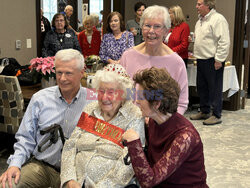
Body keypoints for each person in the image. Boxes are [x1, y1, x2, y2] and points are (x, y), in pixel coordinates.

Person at [0, 49, 89, 188]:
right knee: (8, 184)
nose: (62, 78)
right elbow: (25, 137)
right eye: (59, 72)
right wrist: (15, 164)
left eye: (68, 73)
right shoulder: (40, 99)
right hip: (43, 167)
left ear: (81, 73)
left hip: (77, 172)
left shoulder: (94, 101)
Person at [60, 64, 145, 187]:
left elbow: (130, 162)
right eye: (101, 91)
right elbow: (70, 145)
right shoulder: (90, 109)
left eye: (111, 92)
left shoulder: (134, 116)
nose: (105, 97)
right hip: (76, 182)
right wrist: (69, 180)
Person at [122, 67, 208, 187]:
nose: (137, 101)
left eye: (141, 97)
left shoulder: (185, 137)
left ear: (157, 104)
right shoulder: (153, 122)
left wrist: (134, 144)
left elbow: (149, 182)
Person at [120, 5, 188, 115]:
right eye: (147, 26)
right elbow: (121, 94)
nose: (151, 31)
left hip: (162, 125)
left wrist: (165, 123)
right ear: (142, 28)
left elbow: (181, 104)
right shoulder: (128, 56)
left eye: (157, 26)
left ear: (166, 31)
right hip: (130, 121)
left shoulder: (176, 62)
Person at [190, 0, 230, 125]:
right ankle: (204, 111)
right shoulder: (199, 21)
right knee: (202, 88)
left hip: (213, 60)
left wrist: (219, 59)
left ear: (208, 5)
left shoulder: (218, 19)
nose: (196, 6)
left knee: (215, 88)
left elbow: (224, 41)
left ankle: (216, 115)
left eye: (199, 4)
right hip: (201, 59)